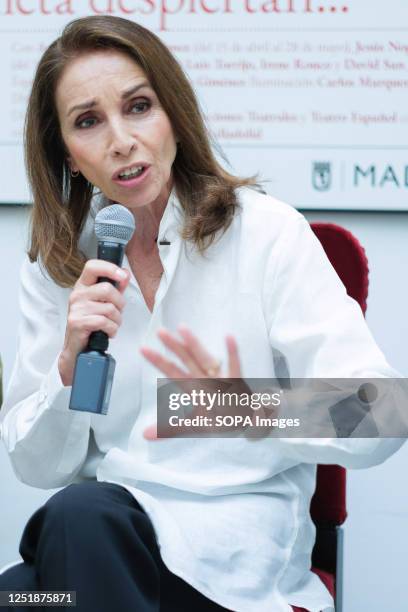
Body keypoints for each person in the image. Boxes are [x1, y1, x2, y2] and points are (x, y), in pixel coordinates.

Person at [0, 14, 404, 612]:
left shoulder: (267, 234)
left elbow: (383, 416)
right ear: (68, 152)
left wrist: (230, 401)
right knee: (26, 595)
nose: (120, 140)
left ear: (174, 116)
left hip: (230, 563)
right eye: (88, 121)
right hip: (102, 546)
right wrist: (66, 370)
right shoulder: (59, 266)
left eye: (138, 107)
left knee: (66, 542)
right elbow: (37, 467)